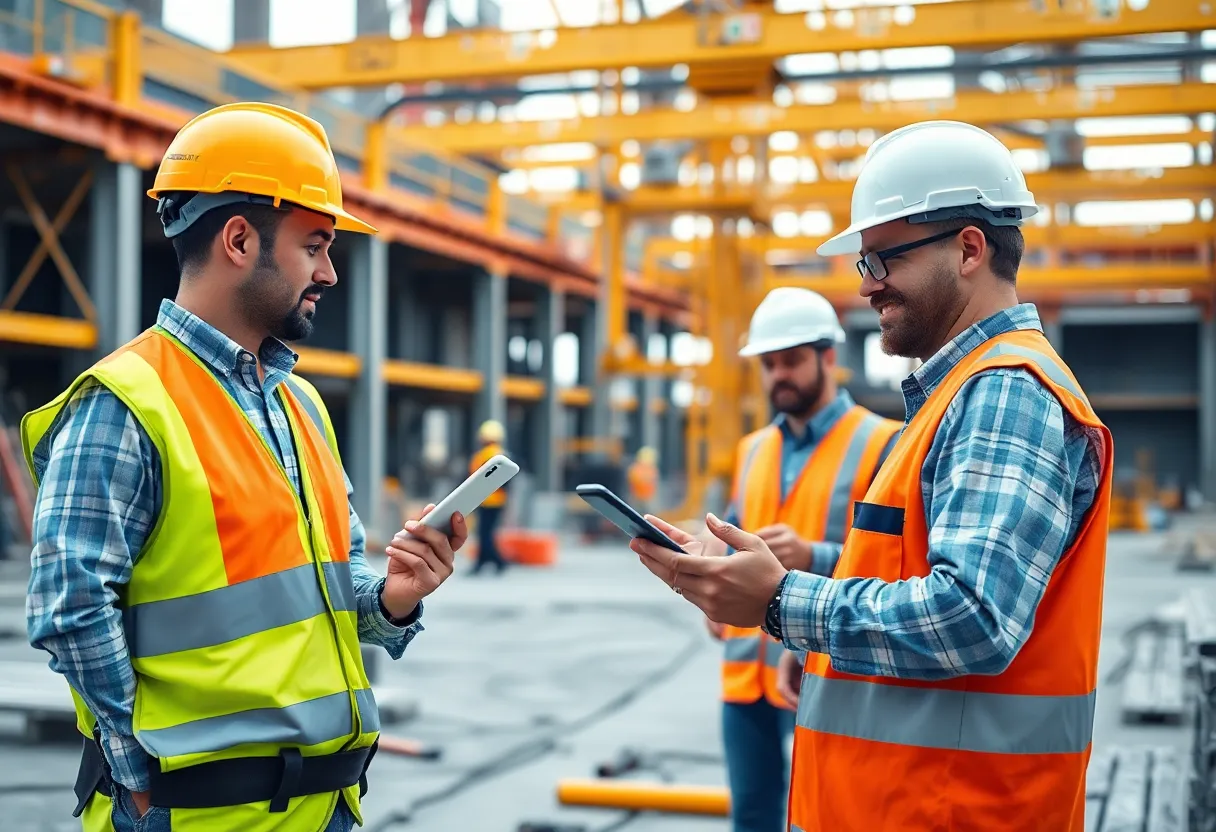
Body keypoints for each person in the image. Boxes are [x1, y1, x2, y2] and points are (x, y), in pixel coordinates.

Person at [630, 120, 1112, 832]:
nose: (869, 287)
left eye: (883, 259)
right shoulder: (953, 396)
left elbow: (971, 619)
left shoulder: (1005, 389)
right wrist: (826, 653)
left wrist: (784, 603)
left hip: (956, 809)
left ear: (969, 249)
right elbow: (915, 567)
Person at [22, 102, 467, 832]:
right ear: (238, 240)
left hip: (325, 807)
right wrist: (140, 778)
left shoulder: (301, 407)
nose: (329, 271)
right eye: (315, 245)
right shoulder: (127, 403)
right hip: (199, 815)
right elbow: (68, 611)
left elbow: (326, 587)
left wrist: (392, 597)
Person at [708, 287, 901, 832]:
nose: (778, 377)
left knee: (838, 818)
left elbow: (901, 567)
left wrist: (811, 555)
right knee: (753, 816)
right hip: (745, 674)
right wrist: (708, 582)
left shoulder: (882, 444)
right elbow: (732, 540)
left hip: (830, 668)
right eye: (769, 365)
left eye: (791, 361)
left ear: (829, 358)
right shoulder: (751, 451)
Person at [469, 419, 509, 574]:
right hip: (493, 501)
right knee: (485, 533)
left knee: (485, 533)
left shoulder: (487, 455)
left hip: (487, 501)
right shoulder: (500, 454)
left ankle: (497, 562)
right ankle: (483, 562)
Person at [627, 446, 659, 515]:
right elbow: (634, 483)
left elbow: (653, 484)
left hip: (648, 499)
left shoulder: (652, 470)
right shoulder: (635, 469)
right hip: (637, 499)